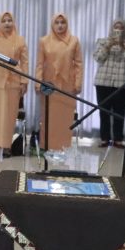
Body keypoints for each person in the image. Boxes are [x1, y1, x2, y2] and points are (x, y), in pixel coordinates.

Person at [0, 12, 28, 157]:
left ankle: (6, 146)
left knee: (9, 115)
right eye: (4, 21)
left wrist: (24, 81)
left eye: (10, 20)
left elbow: (24, 62)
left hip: (13, 82)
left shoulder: (20, 40)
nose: (7, 23)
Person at [35, 13, 83, 152]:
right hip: (49, 85)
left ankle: (63, 148)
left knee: (65, 119)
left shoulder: (74, 41)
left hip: (68, 86)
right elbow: (39, 64)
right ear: (52, 24)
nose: (60, 25)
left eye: (63, 22)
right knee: (49, 118)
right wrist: (38, 83)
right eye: (57, 22)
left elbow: (79, 64)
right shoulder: (44, 41)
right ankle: (47, 146)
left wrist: (78, 83)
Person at [93, 18, 125, 148]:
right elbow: (98, 58)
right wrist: (108, 46)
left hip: (122, 83)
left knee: (119, 112)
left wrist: (123, 47)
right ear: (111, 29)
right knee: (104, 111)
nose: (118, 30)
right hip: (103, 82)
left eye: (121, 28)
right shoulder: (103, 41)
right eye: (116, 27)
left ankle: (118, 139)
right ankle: (104, 138)